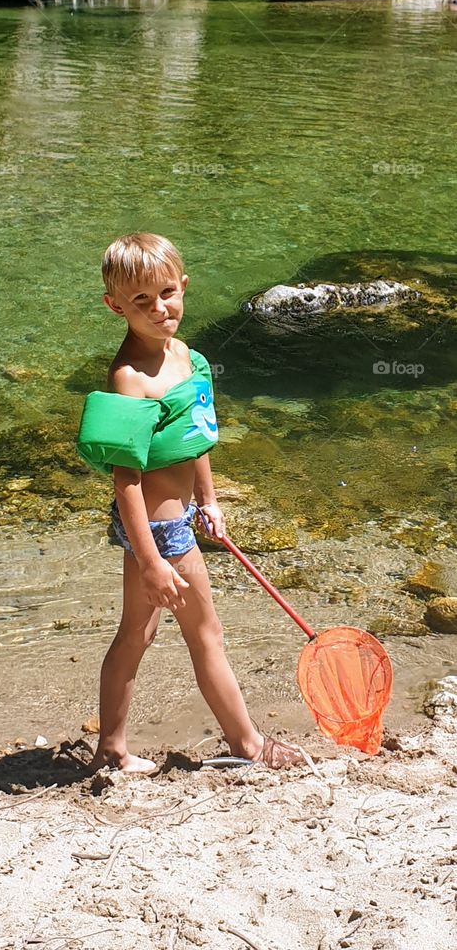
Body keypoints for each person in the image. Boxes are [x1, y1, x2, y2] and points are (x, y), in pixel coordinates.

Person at [76, 232, 304, 773]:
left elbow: (193, 434)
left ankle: (111, 748)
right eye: (141, 301)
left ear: (184, 286)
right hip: (156, 527)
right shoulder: (129, 379)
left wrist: (208, 498)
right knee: (206, 634)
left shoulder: (185, 356)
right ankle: (249, 746)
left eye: (168, 293)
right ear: (114, 306)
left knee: (138, 632)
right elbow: (126, 481)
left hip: (176, 517)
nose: (160, 308)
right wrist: (152, 559)